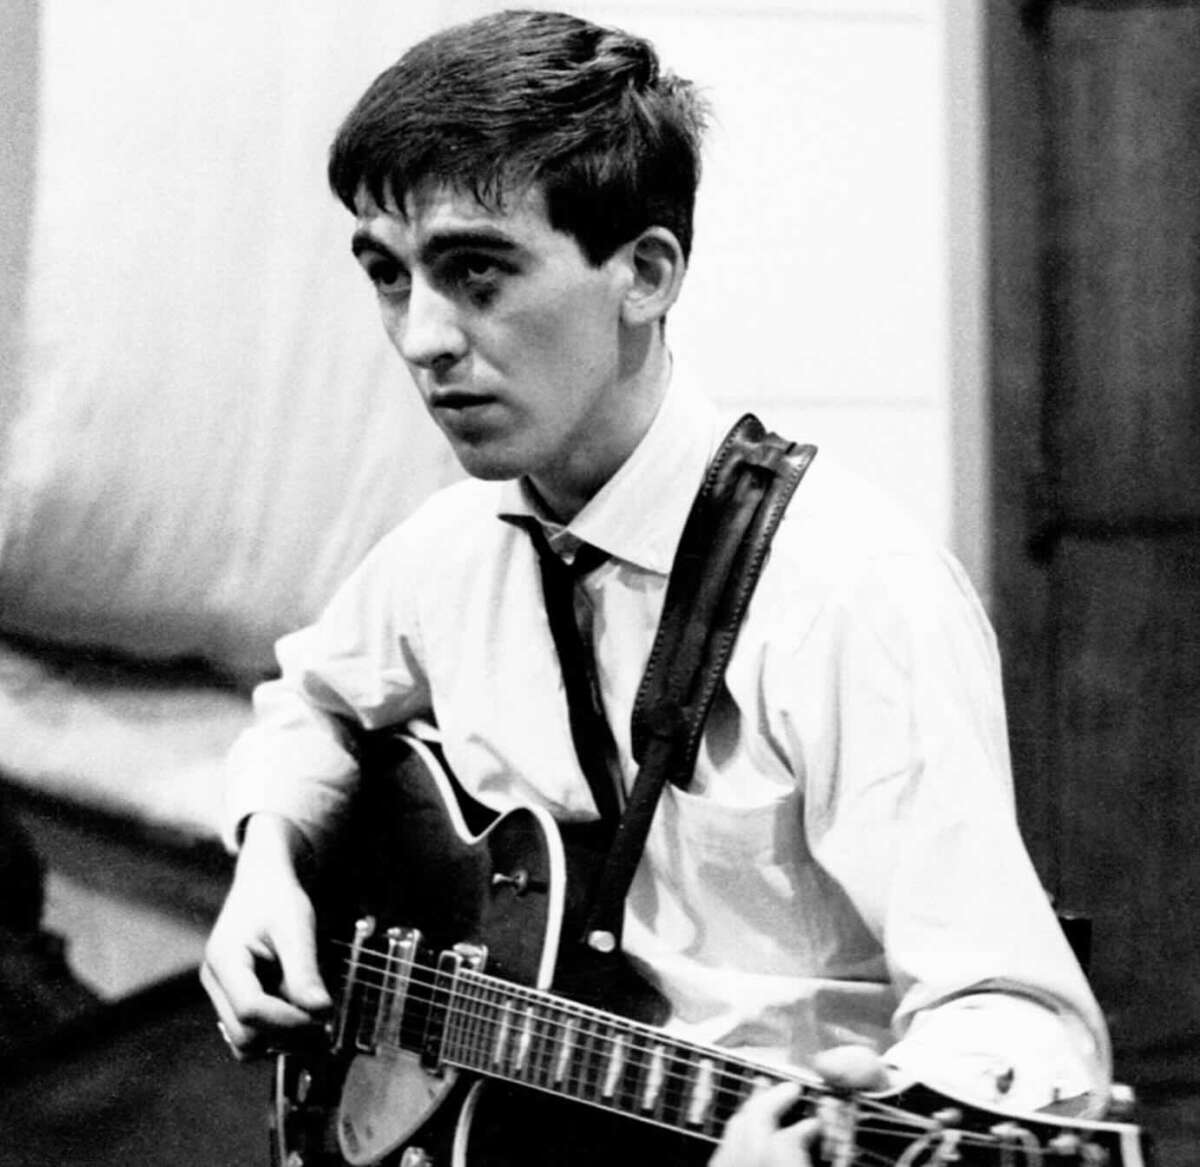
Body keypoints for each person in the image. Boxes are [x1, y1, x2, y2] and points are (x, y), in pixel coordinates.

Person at [201, 9, 1110, 1164]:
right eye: (390, 275)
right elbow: (310, 703)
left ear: (644, 273)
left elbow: (1017, 1016)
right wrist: (269, 858)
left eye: (477, 273)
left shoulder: (849, 592)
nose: (422, 337)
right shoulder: (448, 552)